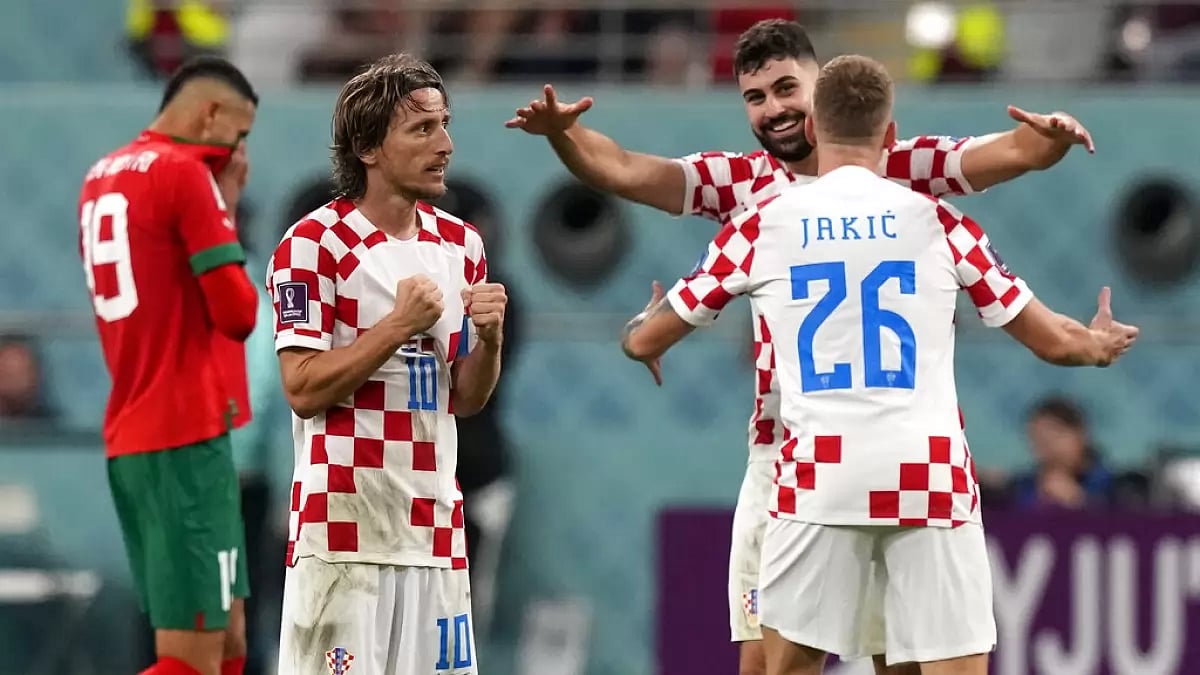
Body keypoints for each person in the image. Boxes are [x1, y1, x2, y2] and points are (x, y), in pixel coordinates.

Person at [507, 17, 1097, 675]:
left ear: (822, 95)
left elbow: (1012, 151)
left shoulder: (896, 164)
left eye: (787, 89)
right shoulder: (743, 181)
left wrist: (1053, 136)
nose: (774, 110)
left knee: (891, 660)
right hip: (787, 453)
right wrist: (564, 135)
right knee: (766, 662)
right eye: (755, 98)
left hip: (873, 446)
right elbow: (619, 167)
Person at [268, 53, 507, 675]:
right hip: (344, 531)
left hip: (436, 529)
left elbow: (466, 397)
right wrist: (397, 326)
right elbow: (301, 387)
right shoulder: (312, 246)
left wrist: (490, 338)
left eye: (445, 125)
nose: (446, 145)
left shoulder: (462, 245)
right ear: (368, 147)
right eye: (423, 129)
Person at [76, 56, 260, 675]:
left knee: (230, 636)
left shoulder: (101, 175)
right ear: (210, 114)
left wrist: (221, 203)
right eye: (240, 132)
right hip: (181, 441)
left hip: (145, 432)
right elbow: (237, 313)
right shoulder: (183, 175)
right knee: (191, 657)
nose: (239, 149)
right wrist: (224, 211)